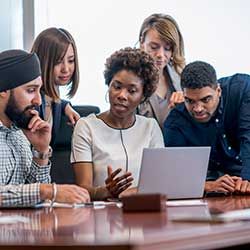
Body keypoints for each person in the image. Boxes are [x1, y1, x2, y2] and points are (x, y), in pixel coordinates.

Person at [71, 47, 164, 200]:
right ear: (109, 85)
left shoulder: (150, 127)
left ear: (143, 96)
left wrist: (133, 193)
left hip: (143, 213)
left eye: (132, 91)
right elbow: (83, 189)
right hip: (101, 216)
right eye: (117, 86)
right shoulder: (86, 127)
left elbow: (159, 182)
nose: (122, 95)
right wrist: (106, 191)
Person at [0, 49, 90, 207]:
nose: (38, 101)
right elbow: (42, 192)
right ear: (3, 91)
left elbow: (37, 199)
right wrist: (48, 191)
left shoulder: (21, 135)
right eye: (30, 90)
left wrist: (41, 151)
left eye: (38, 90)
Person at [163, 60, 250, 194]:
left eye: (205, 100)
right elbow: (175, 175)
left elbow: (248, 136)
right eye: (189, 101)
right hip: (213, 189)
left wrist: (247, 180)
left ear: (218, 91)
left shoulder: (241, 89)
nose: (198, 109)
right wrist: (207, 185)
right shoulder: (175, 123)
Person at [31, 27, 80, 146]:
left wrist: (65, 106)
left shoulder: (53, 93)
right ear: (43, 61)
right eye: (58, 62)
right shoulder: (31, 101)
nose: (66, 69)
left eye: (71, 60)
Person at [137, 13, 186, 129]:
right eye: (154, 47)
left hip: (176, 146)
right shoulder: (130, 79)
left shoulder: (181, 78)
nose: (160, 55)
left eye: (167, 48)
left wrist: (187, 104)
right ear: (142, 43)